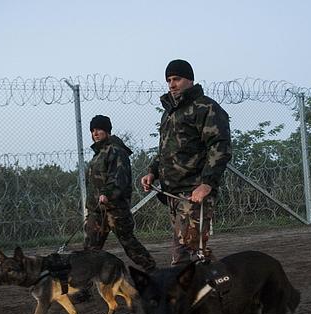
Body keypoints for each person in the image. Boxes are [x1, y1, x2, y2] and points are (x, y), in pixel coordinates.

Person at [141, 59, 232, 267]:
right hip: (172, 193)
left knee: (192, 251)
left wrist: (207, 183)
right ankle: (198, 293)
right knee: (186, 251)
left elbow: (220, 147)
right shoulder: (170, 112)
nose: (172, 84)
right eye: (169, 80)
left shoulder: (206, 108)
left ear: (189, 80)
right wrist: (152, 172)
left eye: (177, 79)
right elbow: (166, 149)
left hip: (194, 192)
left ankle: (224, 287)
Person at [83, 115, 157, 272]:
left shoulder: (116, 151)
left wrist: (106, 194)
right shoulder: (99, 153)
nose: (95, 133)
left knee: (129, 243)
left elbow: (119, 178)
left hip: (115, 209)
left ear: (107, 131)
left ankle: (152, 270)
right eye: (93, 130)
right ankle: (84, 287)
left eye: (99, 129)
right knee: (89, 250)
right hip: (97, 210)